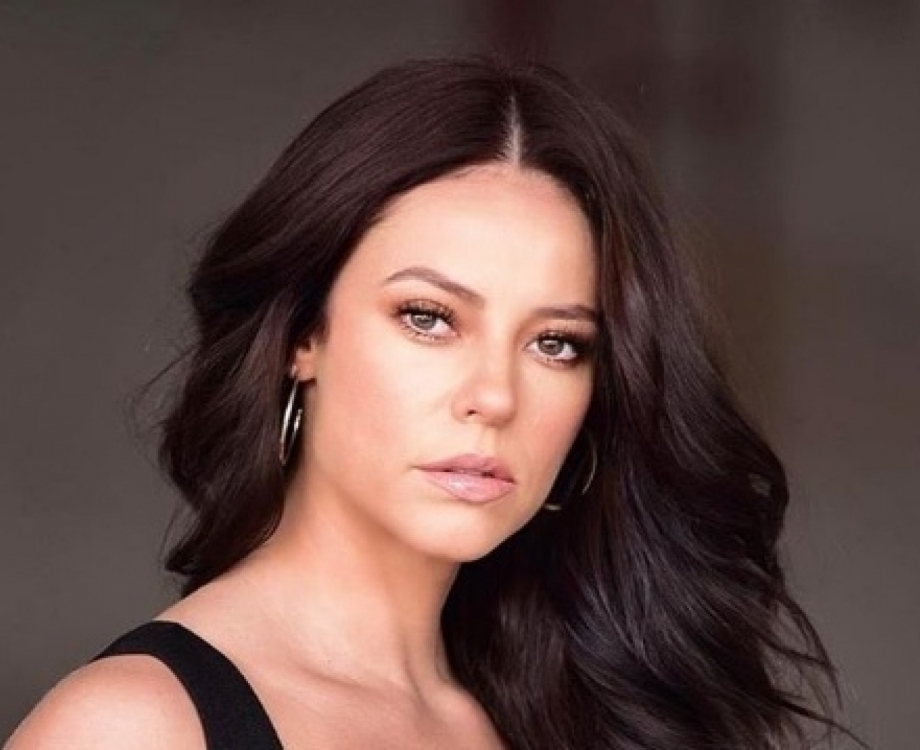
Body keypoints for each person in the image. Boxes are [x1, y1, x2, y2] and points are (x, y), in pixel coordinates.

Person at [7, 57, 850, 750]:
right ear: (303, 335)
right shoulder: (134, 729)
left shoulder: (585, 712)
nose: (495, 396)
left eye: (556, 343)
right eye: (429, 318)